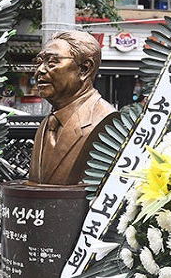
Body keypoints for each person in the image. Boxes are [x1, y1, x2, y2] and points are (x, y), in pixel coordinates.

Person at [28, 30, 119, 185]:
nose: (40, 71)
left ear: (84, 69)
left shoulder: (105, 121)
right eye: (39, 62)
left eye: (51, 62)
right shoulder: (47, 125)